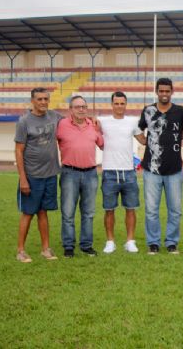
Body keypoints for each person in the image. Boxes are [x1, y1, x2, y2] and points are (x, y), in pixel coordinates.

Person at [139, 77, 183, 255]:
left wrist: (178, 138)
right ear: (157, 91)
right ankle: (153, 243)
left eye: (167, 91)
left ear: (172, 91)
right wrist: (147, 142)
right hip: (151, 170)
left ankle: (171, 242)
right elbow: (138, 129)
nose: (164, 94)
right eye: (161, 91)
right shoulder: (148, 110)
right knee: (151, 209)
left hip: (174, 169)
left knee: (175, 210)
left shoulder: (180, 111)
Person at [14, 87, 63, 263]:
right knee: (28, 213)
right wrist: (23, 179)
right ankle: (20, 250)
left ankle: (45, 249)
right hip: (32, 176)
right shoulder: (24, 122)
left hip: (50, 174)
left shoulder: (55, 116)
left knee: (43, 212)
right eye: (39, 99)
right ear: (32, 101)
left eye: (45, 99)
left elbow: (73, 121)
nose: (43, 102)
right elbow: (19, 151)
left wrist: (93, 121)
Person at [97, 91, 146, 254]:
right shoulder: (102, 122)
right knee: (109, 209)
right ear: (111, 104)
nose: (119, 106)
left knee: (130, 208)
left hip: (129, 172)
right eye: (116, 103)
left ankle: (130, 241)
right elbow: (93, 135)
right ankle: (110, 241)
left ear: (126, 104)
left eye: (122, 103)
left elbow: (143, 140)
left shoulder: (132, 122)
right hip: (109, 172)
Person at [57, 95, 104, 258]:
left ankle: (86, 245)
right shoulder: (61, 125)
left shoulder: (93, 126)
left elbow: (103, 145)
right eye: (77, 107)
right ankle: (68, 246)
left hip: (91, 173)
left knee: (88, 212)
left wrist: (100, 129)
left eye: (83, 106)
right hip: (69, 173)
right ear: (71, 109)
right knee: (68, 212)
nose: (81, 109)